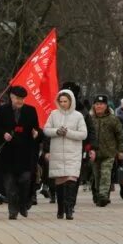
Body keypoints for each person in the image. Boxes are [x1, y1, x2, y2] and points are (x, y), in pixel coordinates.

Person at [0, 86, 39, 220]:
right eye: (17, 98)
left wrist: (36, 133)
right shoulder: (2, 110)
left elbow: (36, 129)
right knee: (10, 184)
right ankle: (13, 210)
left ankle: (23, 204)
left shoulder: (30, 110)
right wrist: (3, 134)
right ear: (11, 97)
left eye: (22, 99)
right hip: (8, 153)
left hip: (25, 153)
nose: (20, 101)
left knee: (25, 180)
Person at [42, 88, 88, 220]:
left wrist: (68, 133)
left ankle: (69, 209)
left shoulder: (78, 116)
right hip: (57, 154)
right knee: (60, 184)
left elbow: (83, 134)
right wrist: (57, 131)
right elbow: (46, 129)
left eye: (65, 101)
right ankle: (60, 209)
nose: (63, 104)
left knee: (71, 182)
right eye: (61, 101)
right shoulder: (53, 114)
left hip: (73, 154)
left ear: (71, 101)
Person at [89, 94, 123, 207]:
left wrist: (121, 150)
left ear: (106, 106)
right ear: (94, 106)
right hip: (94, 153)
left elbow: (120, 136)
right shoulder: (90, 119)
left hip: (109, 153)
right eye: (97, 104)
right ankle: (98, 194)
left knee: (105, 174)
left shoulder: (113, 119)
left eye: (101, 104)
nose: (99, 106)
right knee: (96, 176)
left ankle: (103, 196)